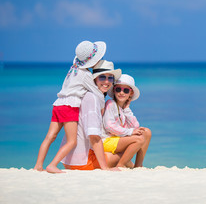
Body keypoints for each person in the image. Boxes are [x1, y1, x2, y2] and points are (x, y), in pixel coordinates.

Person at [34, 40, 107, 173]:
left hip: (58, 103)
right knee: (72, 141)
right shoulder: (86, 75)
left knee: (50, 136)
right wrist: (102, 106)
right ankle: (52, 165)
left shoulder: (73, 69)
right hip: (70, 106)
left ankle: (38, 165)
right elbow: (97, 93)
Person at [61, 60, 123, 171]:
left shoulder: (86, 95)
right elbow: (94, 136)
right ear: (94, 79)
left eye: (110, 78)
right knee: (124, 153)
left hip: (70, 160)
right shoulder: (92, 99)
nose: (107, 82)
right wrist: (105, 168)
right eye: (102, 77)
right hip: (83, 162)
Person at [102, 74, 152, 168]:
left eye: (125, 90)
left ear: (131, 93)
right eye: (118, 89)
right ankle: (120, 165)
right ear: (114, 90)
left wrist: (127, 109)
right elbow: (109, 126)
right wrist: (130, 132)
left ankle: (138, 165)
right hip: (106, 140)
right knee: (139, 139)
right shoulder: (110, 104)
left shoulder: (123, 109)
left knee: (146, 132)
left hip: (116, 139)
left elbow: (135, 126)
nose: (121, 93)